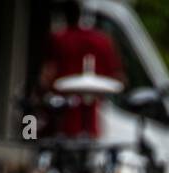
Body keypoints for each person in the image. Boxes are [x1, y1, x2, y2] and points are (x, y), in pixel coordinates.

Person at [40, 1, 124, 139]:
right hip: (94, 117)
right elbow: (118, 77)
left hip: (63, 118)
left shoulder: (59, 39)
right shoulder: (102, 41)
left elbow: (48, 74)